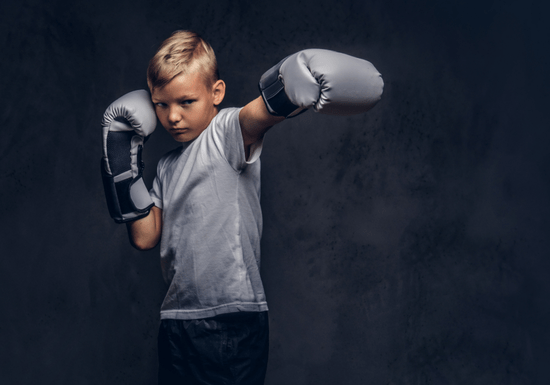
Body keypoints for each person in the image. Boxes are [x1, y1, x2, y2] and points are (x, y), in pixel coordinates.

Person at [100, 30, 383, 385]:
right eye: (161, 104)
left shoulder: (225, 133)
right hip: (176, 319)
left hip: (229, 320)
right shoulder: (166, 166)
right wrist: (122, 164)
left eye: (185, 102)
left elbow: (257, 116)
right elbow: (144, 237)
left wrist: (292, 81)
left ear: (215, 93)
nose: (172, 116)